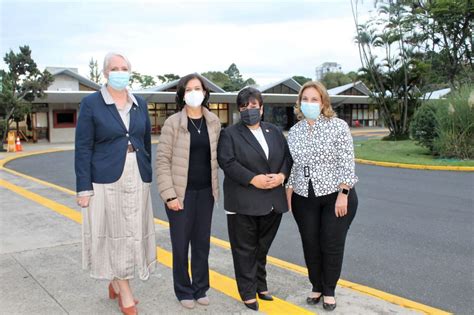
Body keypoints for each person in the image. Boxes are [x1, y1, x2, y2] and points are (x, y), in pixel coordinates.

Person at [75, 52, 156, 315]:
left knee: (133, 232)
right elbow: (83, 147)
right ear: (105, 73)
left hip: (137, 174)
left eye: (124, 68)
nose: (120, 72)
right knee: (114, 234)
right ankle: (126, 293)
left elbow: (144, 141)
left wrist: (147, 173)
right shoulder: (91, 103)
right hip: (106, 178)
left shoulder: (139, 103)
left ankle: (115, 283)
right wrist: (83, 187)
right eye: (115, 68)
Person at [286, 81, 359, 311]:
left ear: (323, 102)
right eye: (305, 99)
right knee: (310, 244)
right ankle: (316, 286)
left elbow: (347, 162)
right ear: (299, 103)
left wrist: (343, 194)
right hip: (303, 196)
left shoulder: (337, 127)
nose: (309, 103)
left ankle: (329, 289)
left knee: (331, 244)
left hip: (335, 196)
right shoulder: (295, 131)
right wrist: (288, 195)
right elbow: (293, 167)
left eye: (314, 99)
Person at [217, 87, 291, 311]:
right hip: (244, 202)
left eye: (254, 106)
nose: (250, 110)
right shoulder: (229, 134)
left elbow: (287, 157)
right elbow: (227, 162)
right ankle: (248, 292)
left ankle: (261, 285)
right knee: (244, 250)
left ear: (261, 108)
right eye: (244, 106)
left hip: (272, 202)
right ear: (239, 109)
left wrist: (281, 176)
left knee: (262, 248)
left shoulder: (274, 131)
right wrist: (252, 179)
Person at [155, 73, 221, 309]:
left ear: (205, 92)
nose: (194, 93)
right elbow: (162, 161)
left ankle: (200, 287)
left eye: (198, 88)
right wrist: (169, 195)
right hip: (180, 194)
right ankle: (183, 289)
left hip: (206, 193)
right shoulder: (173, 123)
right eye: (189, 89)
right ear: (182, 94)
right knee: (181, 244)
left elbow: (221, 156)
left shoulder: (213, 122)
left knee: (202, 243)